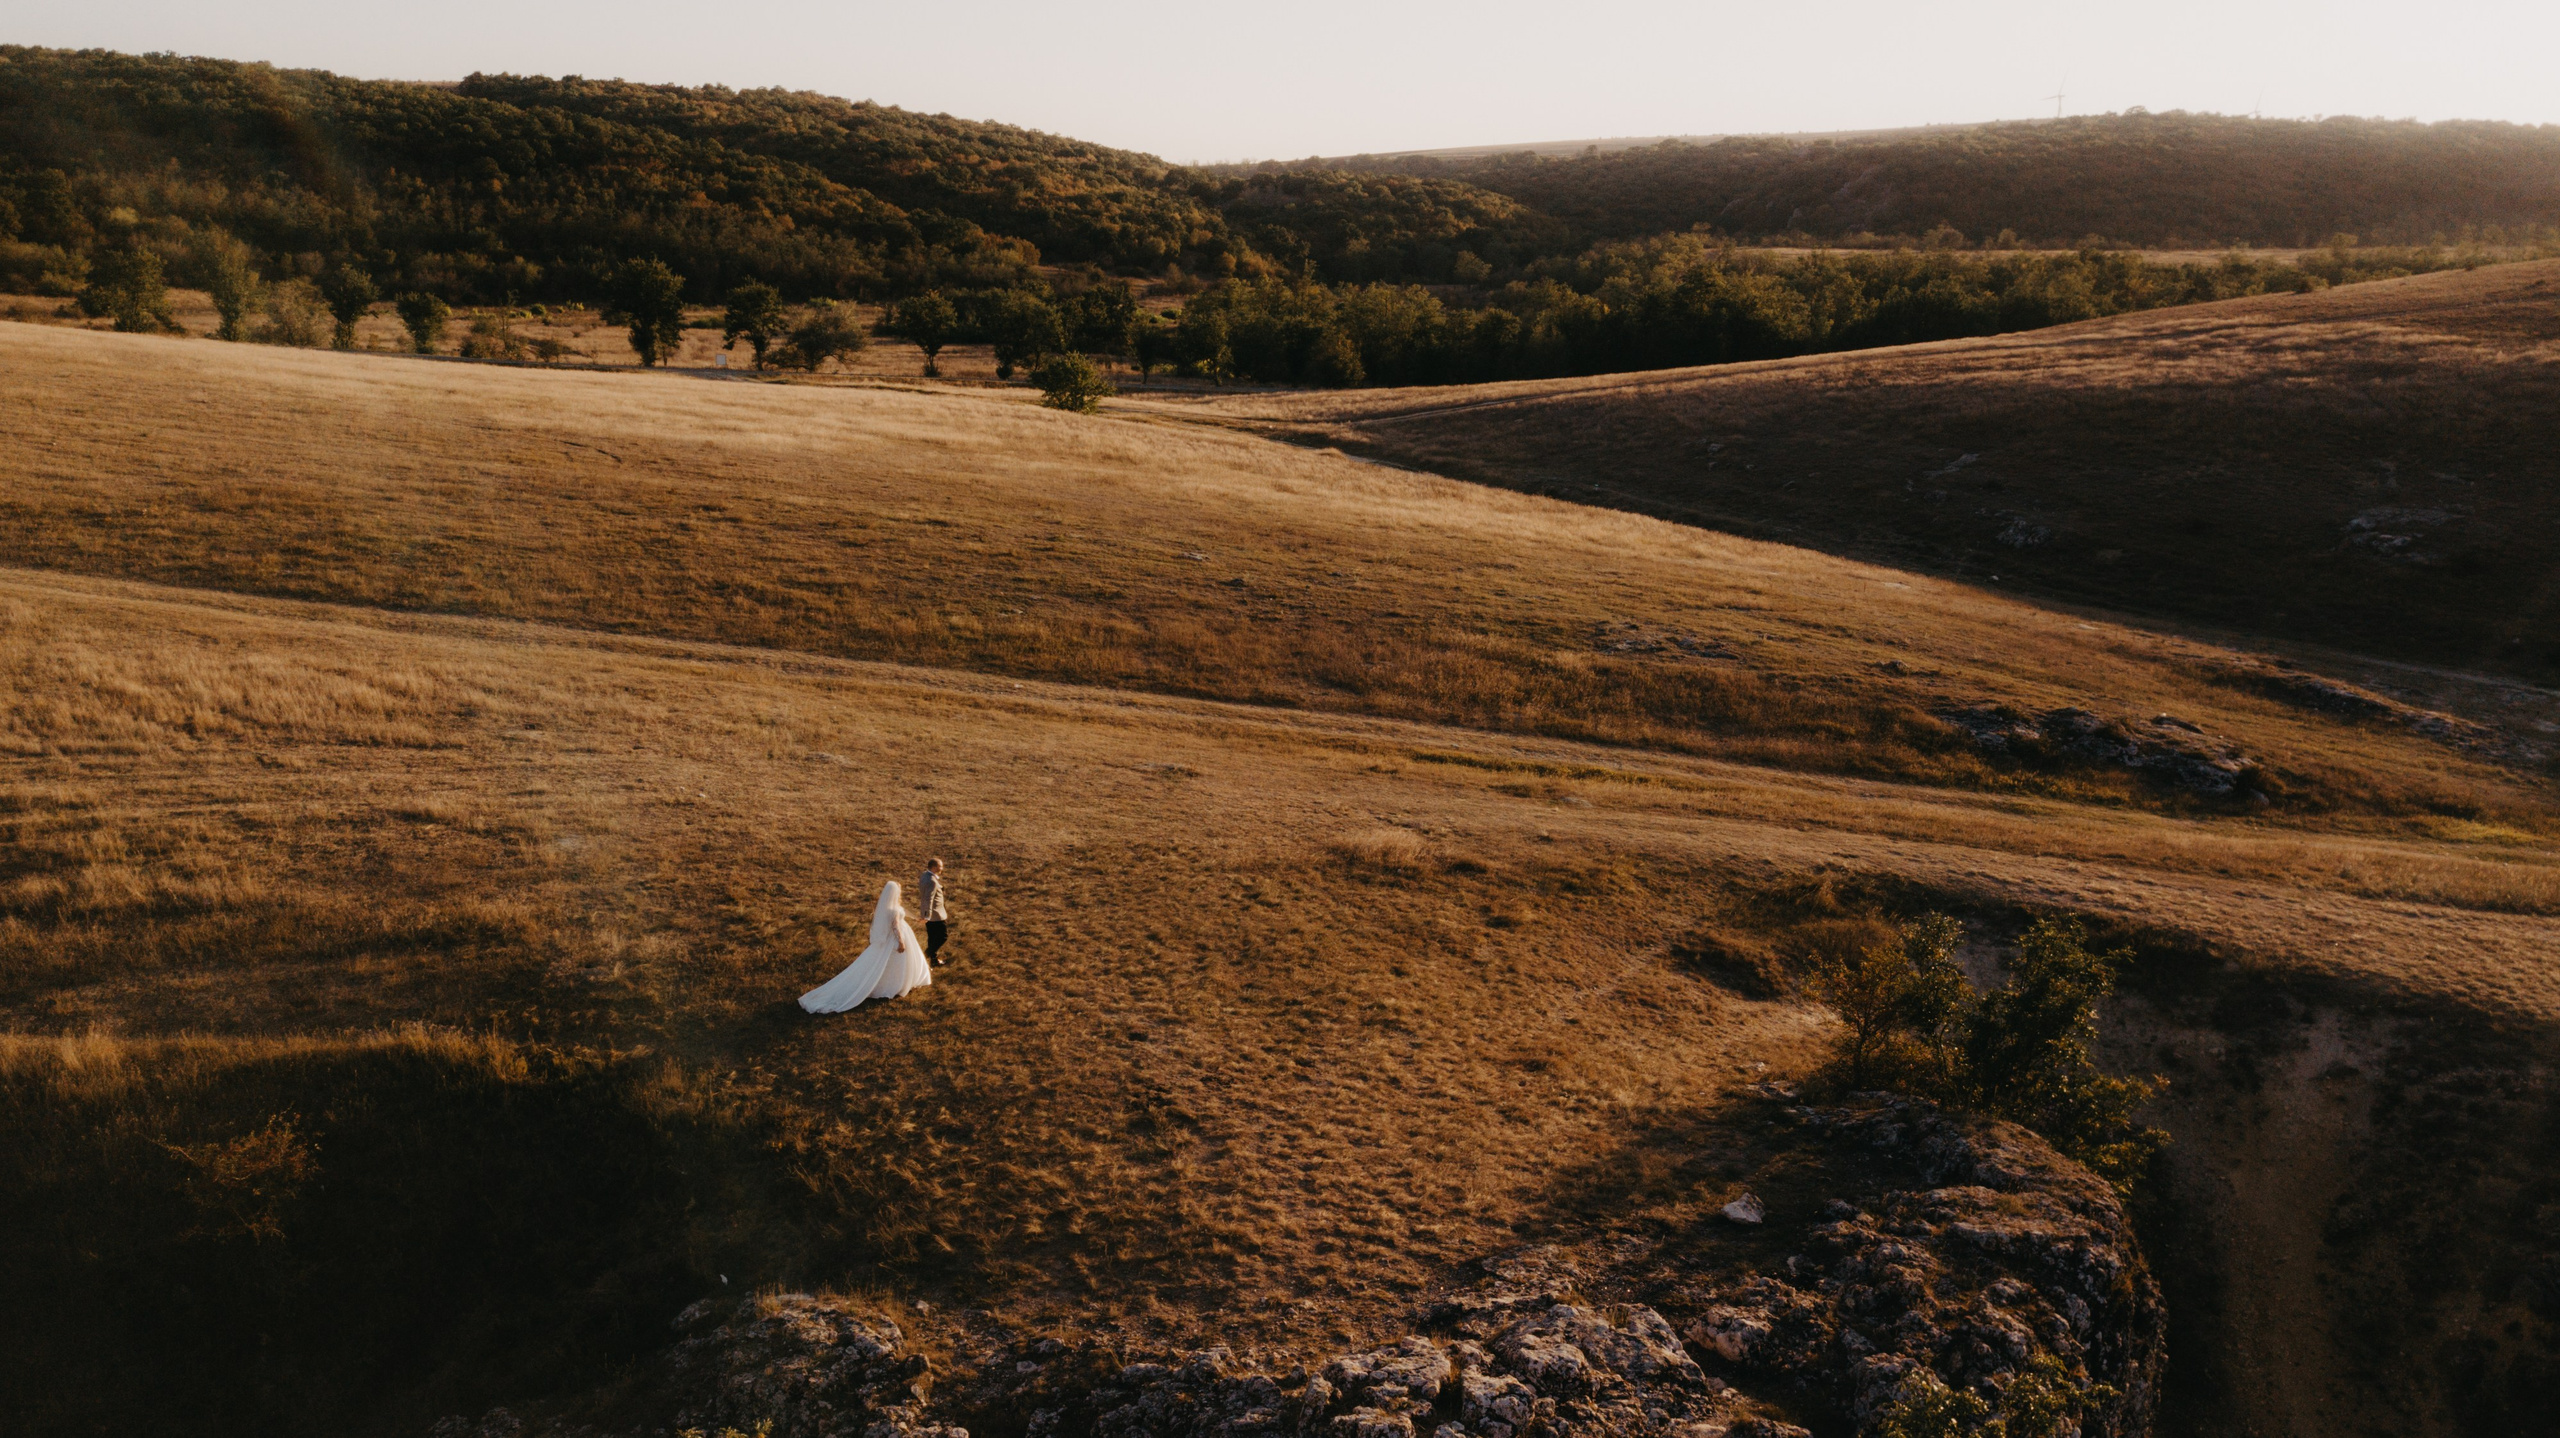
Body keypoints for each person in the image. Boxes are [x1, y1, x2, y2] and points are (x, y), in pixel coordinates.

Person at [798, 879, 932, 1013]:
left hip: (894, 936)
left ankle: (890, 983)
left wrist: (915, 918)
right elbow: (895, 926)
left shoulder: (889, 906)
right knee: (897, 962)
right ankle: (893, 985)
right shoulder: (893, 909)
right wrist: (901, 942)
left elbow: (903, 911)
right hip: (897, 937)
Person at [918, 857, 951, 965]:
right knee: (942, 937)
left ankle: (934, 960)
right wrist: (927, 916)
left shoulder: (924, 875)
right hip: (935, 915)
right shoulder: (932, 881)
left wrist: (925, 914)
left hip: (928, 913)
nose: (942, 869)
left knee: (932, 938)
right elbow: (929, 898)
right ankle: (923, 958)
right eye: (940, 866)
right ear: (934, 867)